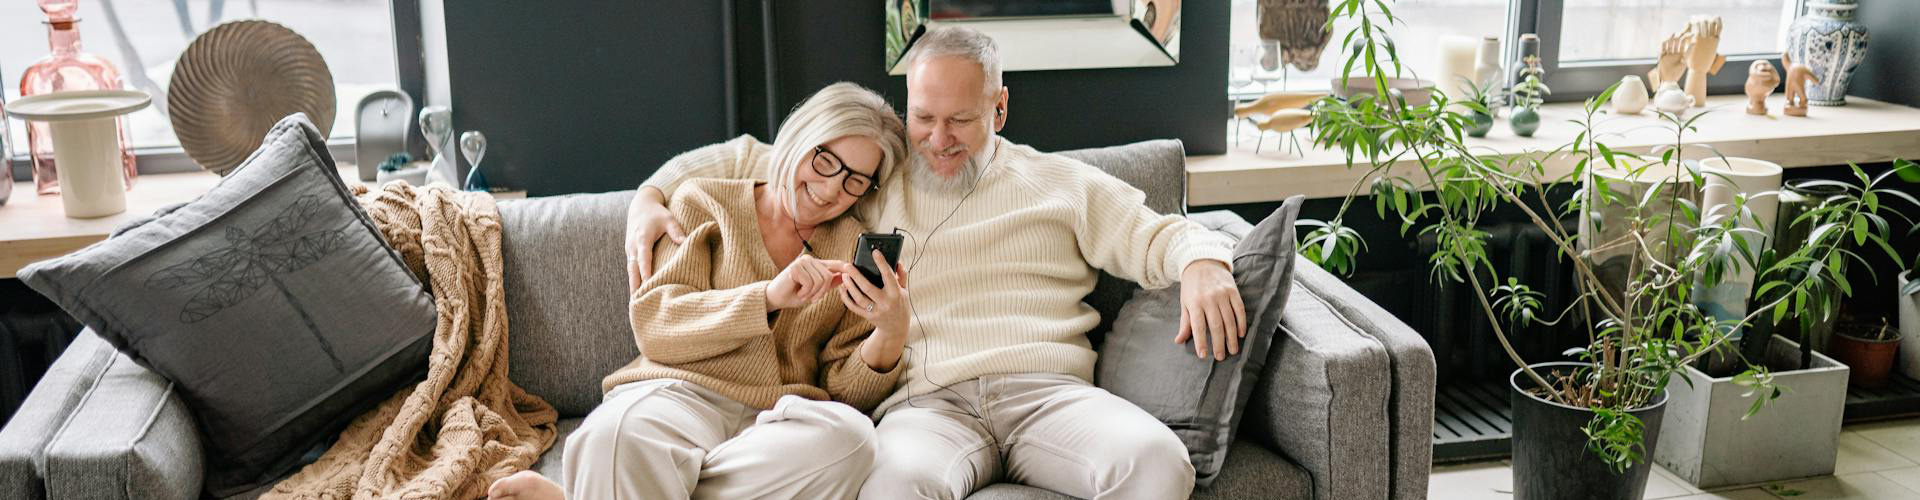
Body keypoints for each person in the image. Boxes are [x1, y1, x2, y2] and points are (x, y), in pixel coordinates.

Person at [624, 27, 1248, 500]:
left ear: (999, 109)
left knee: (1159, 461)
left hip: (1050, 396)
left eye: (961, 120)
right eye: (923, 118)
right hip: (926, 407)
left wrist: (1203, 263)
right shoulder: (871, 180)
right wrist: (649, 198)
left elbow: (1160, 233)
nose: (938, 139)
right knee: (887, 486)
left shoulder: (1063, 184)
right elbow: (762, 158)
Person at [487, 82, 912, 500]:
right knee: (613, 436)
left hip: (778, 420)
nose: (833, 189)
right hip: (680, 394)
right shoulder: (704, 203)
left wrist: (889, 334)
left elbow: (842, 393)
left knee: (852, 440)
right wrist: (766, 297)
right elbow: (656, 324)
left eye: (857, 180)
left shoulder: (852, 246)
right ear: (798, 140)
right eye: (826, 161)